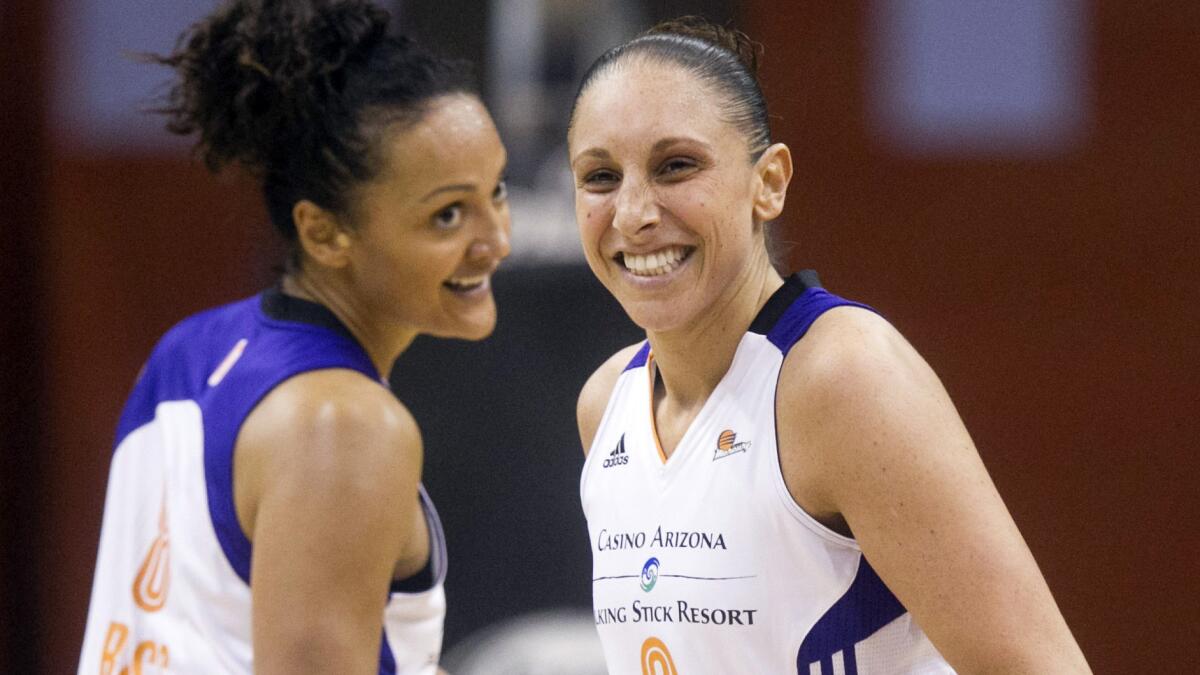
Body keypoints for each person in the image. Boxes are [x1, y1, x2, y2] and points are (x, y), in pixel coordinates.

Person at [570, 17, 1091, 675]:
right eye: (599, 176)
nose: (633, 212)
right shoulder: (605, 403)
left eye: (677, 166)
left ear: (770, 181)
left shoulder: (844, 375)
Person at [76, 1, 510, 673]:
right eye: (448, 214)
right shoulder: (346, 423)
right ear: (323, 232)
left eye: (497, 191)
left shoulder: (186, 350)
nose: (496, 241)